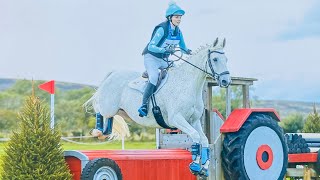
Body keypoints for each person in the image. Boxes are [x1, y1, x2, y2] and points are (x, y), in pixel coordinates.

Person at [138, 2, 192, 117]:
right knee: (154, 77)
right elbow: (151, 46)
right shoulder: (162, 29)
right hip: (151, 58)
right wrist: (164, 51)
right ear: (170, 17)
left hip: (164, 60)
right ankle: (143, 105)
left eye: (180, 17)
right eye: (177, 17)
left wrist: (188, 51)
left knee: (178, 74)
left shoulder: (178, 32)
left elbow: (182, 48)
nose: (179, 20)